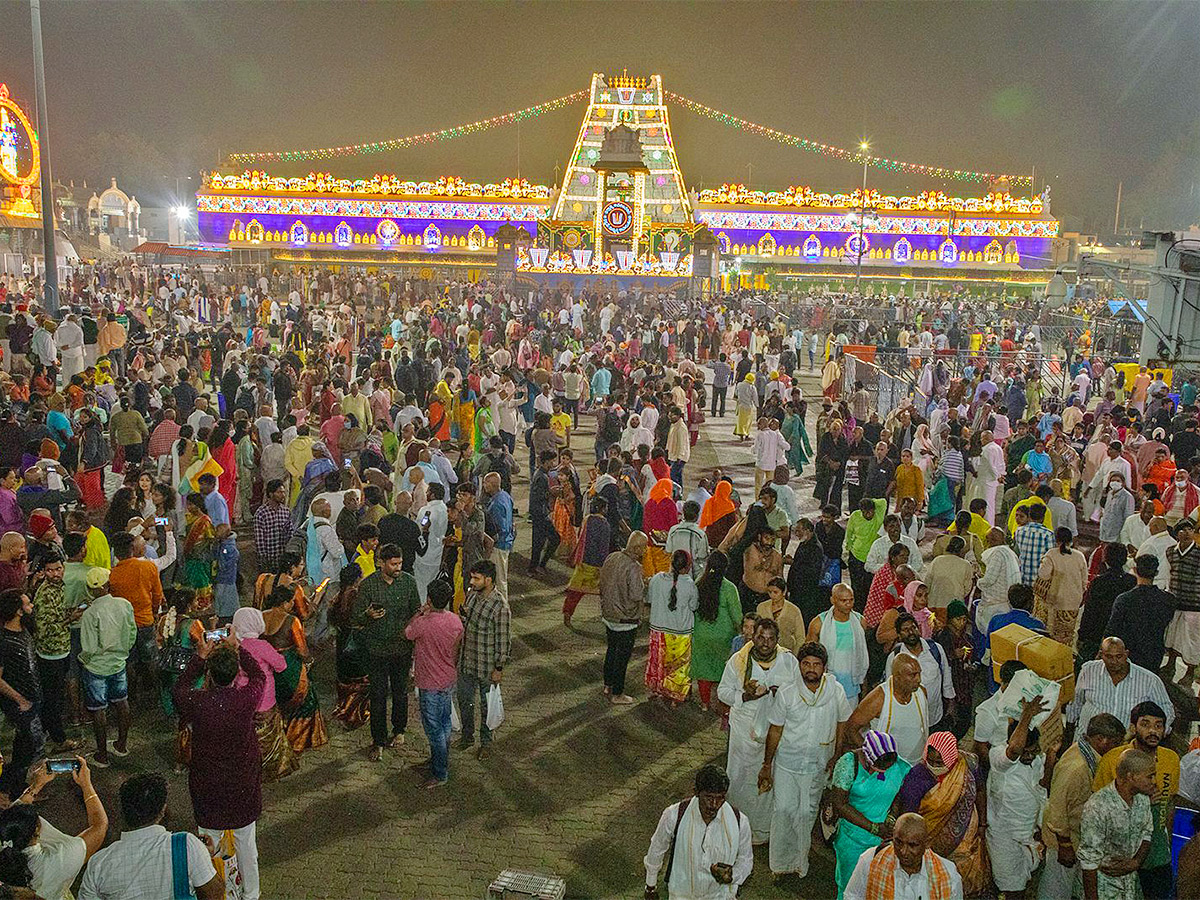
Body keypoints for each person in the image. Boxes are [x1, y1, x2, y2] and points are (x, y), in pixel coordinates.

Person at [172, 631, 265, 900]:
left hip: (207, 785)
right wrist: (239, 649)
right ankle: (251, 894)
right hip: (242, 784)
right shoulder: (246, 699)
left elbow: (178, 690)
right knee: (247, 845)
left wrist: (199, 658)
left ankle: (212, 892)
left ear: (209, 674)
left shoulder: (198, 703)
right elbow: (258, 676)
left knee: (206, 845)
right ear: (236, 674)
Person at [757, 641, 851, 879]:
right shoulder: (788, 692)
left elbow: (842, 723)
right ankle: (778, 865)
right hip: (788, 763)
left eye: (816, 665)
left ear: (824, 667)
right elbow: (775, 730)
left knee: (806, 813)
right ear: (799, 665)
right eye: (806, 664)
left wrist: (837, 754)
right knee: (784, 810)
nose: (811, 669)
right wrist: (767, 765)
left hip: (817, 764)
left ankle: (800, 862)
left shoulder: (835, 691)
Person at [716, 617, 799, 845]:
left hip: (774, 731)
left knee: (767, 778)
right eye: (761, 637)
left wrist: (778, 693)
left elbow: (796, 692)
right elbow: (722, 692)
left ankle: (762, 831)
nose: (765, 643)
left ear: (777, 641)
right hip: (744, 731)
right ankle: (736, 829)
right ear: (753, 637)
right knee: (740, 778)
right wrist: (745, 696)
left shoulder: (788, 661)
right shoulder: (739, 661)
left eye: (771, 639)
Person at [77, 772, 222, 900]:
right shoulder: (186, 845)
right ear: (163, 810)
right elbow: (214, 894)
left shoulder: (99, 864)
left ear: (122, 811)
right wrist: (203, 857)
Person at [1091, 702, 1180, 900]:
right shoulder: (1113, 759)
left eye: (1158, 725)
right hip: (1121, 851)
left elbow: (1170, 803)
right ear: (1133, 728)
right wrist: (1140, 801)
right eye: (1145, 724)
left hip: (1156, 855)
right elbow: (1098, 806)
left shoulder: (1171, 759)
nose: (1152, 731)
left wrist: (1168, 842)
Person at [1040, 713, 1129, 900]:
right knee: (1057, 889)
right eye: (1116, 742)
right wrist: (1065, 845)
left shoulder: (1084, 752)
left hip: (1075, 837)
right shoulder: (1077, 767)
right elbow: (1057, 806)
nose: (1119, 748)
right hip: (1063, 841)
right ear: (1101, 740)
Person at [893, 732, 985, 896]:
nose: (934, 765)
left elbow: (980, 791)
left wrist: (983, 825)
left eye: (940, 762)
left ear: (951, 758)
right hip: (928, 839)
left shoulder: (966, 764)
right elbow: (908, 815)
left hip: (964, 838)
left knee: (961, 876)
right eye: (931, 760)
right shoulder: (917, 777)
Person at [642, 764, 753, 900]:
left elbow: (746, 860)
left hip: (720, 896)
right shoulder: (674, 815)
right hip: (682, 894)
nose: (713, 804)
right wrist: (650, 886)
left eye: (720, 798)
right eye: (708, 797)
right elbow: (657, 848)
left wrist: (732, 875)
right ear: (696, 792)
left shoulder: (740, 822)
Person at [353, 544, 421, 761]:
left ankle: (399, 731)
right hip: (377, 650)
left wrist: (409, 632)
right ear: (381, 563)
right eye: (393, 564)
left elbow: (416, 612)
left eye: (400, 563)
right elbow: (356, 617)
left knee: (401, 693)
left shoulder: (409, 583)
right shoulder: (368, 586)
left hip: (401, 650)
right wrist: (368, 615)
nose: (398, 567)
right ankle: (379, 740)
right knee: (378, 696)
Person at [829, 730, 913, 899]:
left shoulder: (899, 765)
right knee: (850, 886)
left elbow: (900, 792)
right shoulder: (848, 764)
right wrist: (873, 827)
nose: (884, 771)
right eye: (881, 767)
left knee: (879, 885)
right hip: (853, 838)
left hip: (884, 840)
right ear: (868, 756)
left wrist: (892, 816)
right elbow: (840, 803)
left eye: (888, 766)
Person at [987, 695, 1053, 900]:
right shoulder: (999, 757)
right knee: (1011, 890)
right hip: (1005, 838)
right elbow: (1015, 750)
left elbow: (1042, 787)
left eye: (1034, 752)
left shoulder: (1036, 759)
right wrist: (1026, 716)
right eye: (1027, 752)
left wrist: (1050, 759)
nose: (1029, 756)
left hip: (1029, 834)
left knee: (1023, 885)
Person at [404, 578, 463, 788]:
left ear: (429, 598)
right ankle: (440, 760)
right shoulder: (456, 621)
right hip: (447, 678)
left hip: (429, 682)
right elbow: (455, 650)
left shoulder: (423, 623)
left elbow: (407, 632)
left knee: (434, 729)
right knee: (445, 722)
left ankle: (440, 772)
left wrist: (420, 612)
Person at [1078, 748, 1156, 900]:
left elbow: (1147, 833)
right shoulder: (1098, 806)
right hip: (1103, 890)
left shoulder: (1142, 799)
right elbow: (1088, 862)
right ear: (1131, 777)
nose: (1154, 781)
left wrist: (1136, 862)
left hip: (1131, 887)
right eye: (1150, 776)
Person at [77, 570, 135, 770]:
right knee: (122, 701)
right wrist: (122, 651)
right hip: (118, 663)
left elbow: (89, 647)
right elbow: (131, 632)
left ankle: (102, 755)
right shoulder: (124, 604)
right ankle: (121, 745)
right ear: (108, 585)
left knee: (98, 709)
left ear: (91, 589)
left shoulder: (90, 613)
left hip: (96, 668)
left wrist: (83, 660)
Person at [230, 606, 296, 782]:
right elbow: (281, 666)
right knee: (267, 738)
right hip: (265, 700)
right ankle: (268, 769)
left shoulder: (234, 646)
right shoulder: (262, 646)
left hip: (242, 699)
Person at [842, 811, 964, 900]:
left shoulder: (948, 875)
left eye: (912, 845)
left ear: (926, 844)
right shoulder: (871, 860)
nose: (903, 851)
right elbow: (852, 895)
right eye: (898, 842)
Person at [456, 560, 510, 760]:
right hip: (467, 661)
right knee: (464, 700)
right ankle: (467, 736)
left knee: (487, 706)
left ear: (488, 580)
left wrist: (499, 667)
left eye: (476, 578)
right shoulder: (472, 597)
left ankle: (486, 742)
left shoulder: (500, 606)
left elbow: (503, 640)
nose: (472, 581)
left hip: (487, 665)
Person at [1068, 637, 1174, 738]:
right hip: (1088, 739)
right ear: (1101, 655)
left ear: (1126, 654)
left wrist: (1156, 733)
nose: (1114, 661)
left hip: (1124, 745)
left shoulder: (1149, 680)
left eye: (1119, 656)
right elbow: (1076, 702)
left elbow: (1166, 709)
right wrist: (1069, 728)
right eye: (1109, 657)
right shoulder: (1089, 670)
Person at [845, 654, 929, 766]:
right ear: (897, 677)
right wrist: (872, 753)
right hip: (889, 770)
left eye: (919, 673)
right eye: (912, 675)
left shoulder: (921, 692)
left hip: (917, 764)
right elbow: (850, 728)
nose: (919, 679)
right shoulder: (878, 698)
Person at [885, 611, 955, 732]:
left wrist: (951, 705)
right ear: (899, 635)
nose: (911, 632)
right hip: (909, 720)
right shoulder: (895, 658)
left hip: (934, 716)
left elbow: (947, 678)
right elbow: (890, 688)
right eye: (905, 630)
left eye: (913, 627)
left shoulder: (935, 649)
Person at [598, 531, 647, 705]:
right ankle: (617, 693)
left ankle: (607, 684)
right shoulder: (633, 567)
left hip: (609, 613)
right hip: (626, 619)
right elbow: (636, 594)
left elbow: (602, 581)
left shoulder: (612, 557)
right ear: (638, 548)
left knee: (611, 650)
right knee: (622, 657)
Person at [645, 549, 698, 705]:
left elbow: (649, 599)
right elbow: (694, 606)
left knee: (658, 662)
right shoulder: (690, 585)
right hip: (680, 631)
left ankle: (657, 689)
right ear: (687, 567)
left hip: (658, 629)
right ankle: (675, 694)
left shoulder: (656, 579)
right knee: (678, 666)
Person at [1106, 555, 1176, 672]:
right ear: (1156, 572)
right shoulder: (1168, 599)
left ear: (1135, 570)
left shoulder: (1125, 599)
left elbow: (1113, 628)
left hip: (1130, 653)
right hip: (1154, 653)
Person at [690, 551, 741, 711]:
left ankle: (705, 703)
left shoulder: (699, 582)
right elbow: (737, 615)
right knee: (722, 670)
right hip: (723, 637)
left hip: (700, 634)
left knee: (704, 670)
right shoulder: (729, 588)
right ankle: (722, 704)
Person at [1035, 525, 1088, 644]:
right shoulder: (1079, 556)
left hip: (1055, 601)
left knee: (1052, 636)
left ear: (1056, 540)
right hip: (1073, 602)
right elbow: (1084, 580)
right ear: (1071, 540)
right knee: (1068, 635)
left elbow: (1043, 575)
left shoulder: (1052, 554)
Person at [755, 577, 803, 654]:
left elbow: (800, 637)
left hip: (787, 651)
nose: (772, 595)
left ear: (784, 592)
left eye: (775, 592)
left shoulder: (793, 610)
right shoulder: (761, 607)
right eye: (770, 592)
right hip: (764, 649)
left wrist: (795, 656)